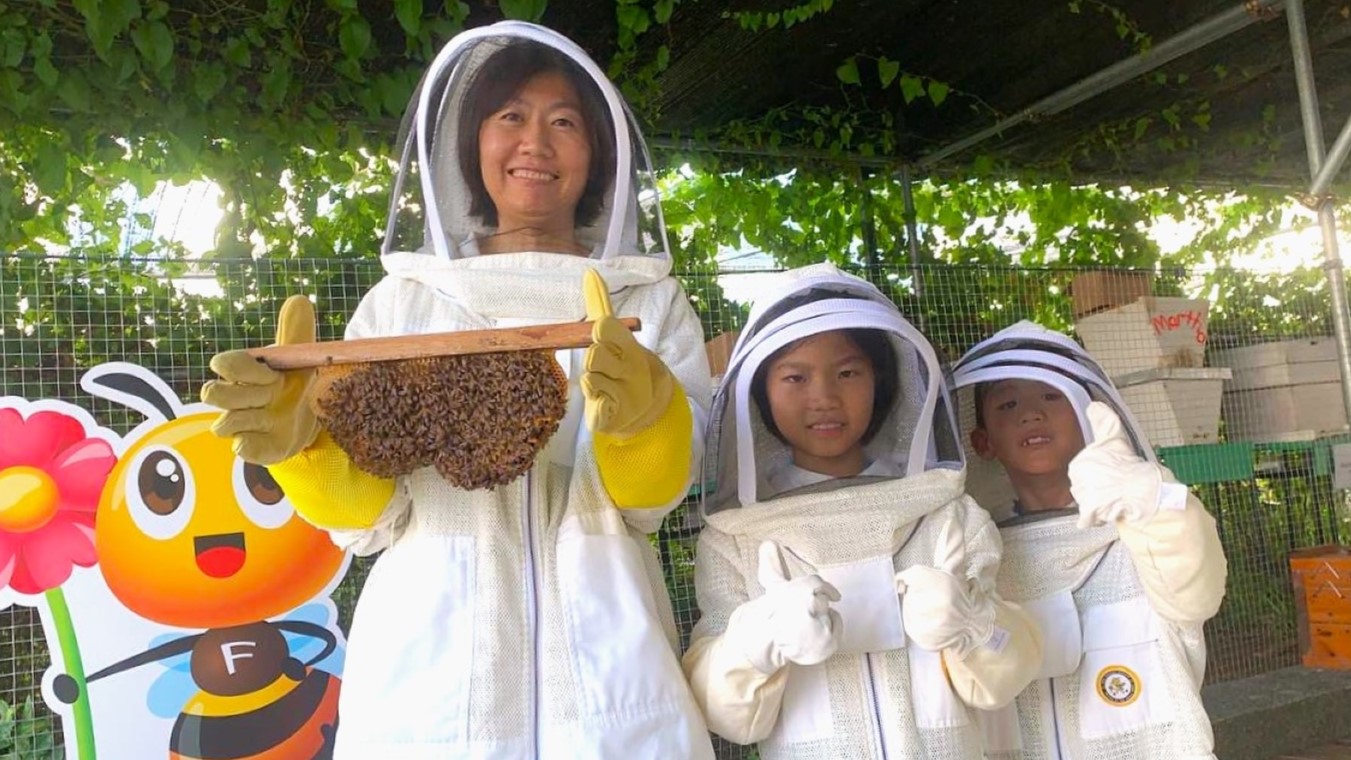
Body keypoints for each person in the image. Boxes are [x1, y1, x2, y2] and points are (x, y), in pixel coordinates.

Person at [201, 22, 715, 759]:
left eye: (563, 122)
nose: (535, 142)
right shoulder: (400, 303)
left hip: (614, 677)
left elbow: (648, 505)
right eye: (510, 116)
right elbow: (374, 523)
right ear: (470, 144)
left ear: (598, 155)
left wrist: (647, 422)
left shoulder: (651, 303)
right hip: (428, 679)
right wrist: (306, 449)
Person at [683, 263, 1042, 759]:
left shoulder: (945, 513)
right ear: (760, 392)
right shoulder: (736, 537)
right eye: (794, 376)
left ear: (882, 380)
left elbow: (1011, 666)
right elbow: (725, 716)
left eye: (847, 372)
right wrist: (756, 642)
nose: (824, 398)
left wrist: (975, 621)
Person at [950, 320, 1228, 760]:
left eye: (1050, 395)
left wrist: (1154, 502)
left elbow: (1196, 597)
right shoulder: (976, 555)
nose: (1031, 413)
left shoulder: (1145, 520)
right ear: (982, 441)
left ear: (1089, 414)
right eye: (1007, 403)